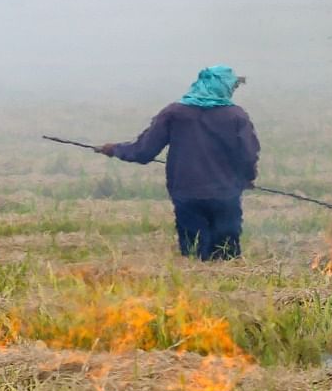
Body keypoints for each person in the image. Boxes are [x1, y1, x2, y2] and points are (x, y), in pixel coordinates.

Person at [99, 65, 260, 260]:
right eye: (232, 86)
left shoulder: (174, 113)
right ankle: (224, 285)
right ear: (222, 86)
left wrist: (115, 149)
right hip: (226, 194)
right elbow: (248, 155)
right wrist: (247, 178)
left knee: (194, 254)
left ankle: (199, 283)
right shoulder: (236, 115)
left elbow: (144, 151)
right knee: (226, 253)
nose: (233, 90)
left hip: (186, 193)